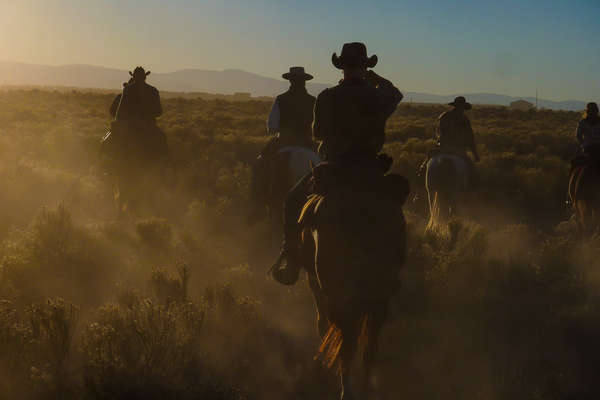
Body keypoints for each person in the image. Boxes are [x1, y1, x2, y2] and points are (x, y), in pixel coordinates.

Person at [271, 42, 403, 285]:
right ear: (365, 67)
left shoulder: (327, 96)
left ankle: (291, 261)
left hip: (335, 168)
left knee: (292, 201)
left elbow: (318, 133)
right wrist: (376, 79)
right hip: (368, 168)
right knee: (395, 203)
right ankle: (397, 268)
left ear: (341, 68)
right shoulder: (377, 95)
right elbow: (396, 94)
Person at [249, 67, 316, 218]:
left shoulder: (281, 99)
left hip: (284, 141)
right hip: (307, 143)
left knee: (260, 164)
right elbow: (318, 127)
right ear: (304, 81)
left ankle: (256, 207)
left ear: (290, 80)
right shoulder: (313, 101)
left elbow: (272, 126)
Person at [435, 96, 480, 162]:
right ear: (463, 107)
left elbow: (438, 131)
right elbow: (470, 137)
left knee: (427, 162)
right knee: (470, 167)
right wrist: (475, 154)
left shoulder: (444, 116)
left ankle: (421, 170)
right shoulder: (464, 119)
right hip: (458, 149)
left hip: (442, 147)